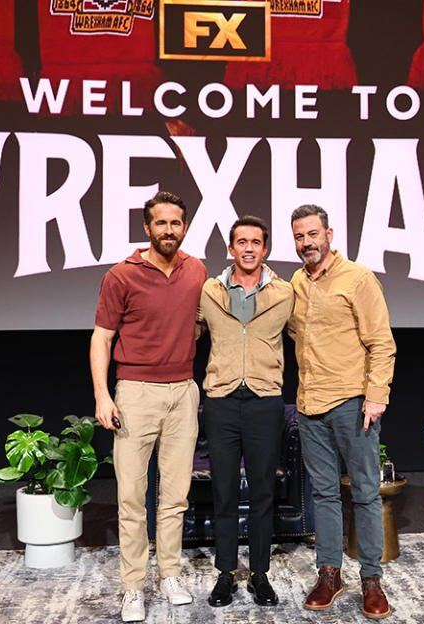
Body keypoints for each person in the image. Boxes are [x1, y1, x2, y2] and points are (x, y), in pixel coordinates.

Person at [90, 191, 207, 622]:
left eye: (176, 223)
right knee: (132, 498)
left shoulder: (197, 270)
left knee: (175, 496)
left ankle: (170, 574)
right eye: (161, 223)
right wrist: (103, 394)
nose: (169, 231)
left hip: (183, 392)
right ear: (147, 228)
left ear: (185, 226)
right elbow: (101, 337)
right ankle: (133, 586)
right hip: (135, 392)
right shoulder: (121, 275)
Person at [287, 204, 396, 619]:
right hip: (309, 403)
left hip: (353, 403)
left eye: (312, 234)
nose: (306, 243)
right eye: (299, 236)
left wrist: (376, 394)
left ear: (329, 235)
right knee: (324, 494)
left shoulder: (358, 278)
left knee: (366, 493)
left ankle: (371, 579)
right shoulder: (296, 282)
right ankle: (330, 573)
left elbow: (382, 342)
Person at [196, 215, 294, 608]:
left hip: (264, 401)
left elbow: (308, 337)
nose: (249, 248)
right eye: (242, 242)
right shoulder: (210, 290)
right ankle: (224, 574)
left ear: (265, 249)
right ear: (231, 248)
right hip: (220, 401)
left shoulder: (285, 293)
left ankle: (259, 574)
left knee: (263, 492)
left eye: (256, 242)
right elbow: (189, 330)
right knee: (222, 490)